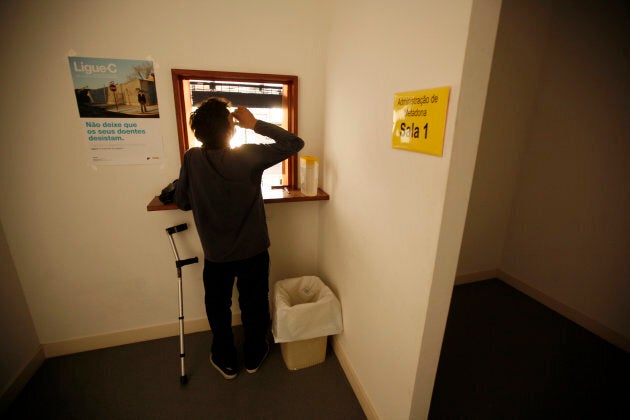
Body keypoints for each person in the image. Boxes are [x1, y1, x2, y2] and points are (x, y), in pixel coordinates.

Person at [174, 97, 304, 379]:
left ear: (198, 132)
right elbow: (294, 143)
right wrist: (254, 124)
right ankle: (254, 354)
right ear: (230, 129)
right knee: (254, 303)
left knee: (218, 306)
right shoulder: (247, 155)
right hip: (253, 250)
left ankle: (225, 358)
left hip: (216, 254)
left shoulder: (192, 158)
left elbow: (182, 201)